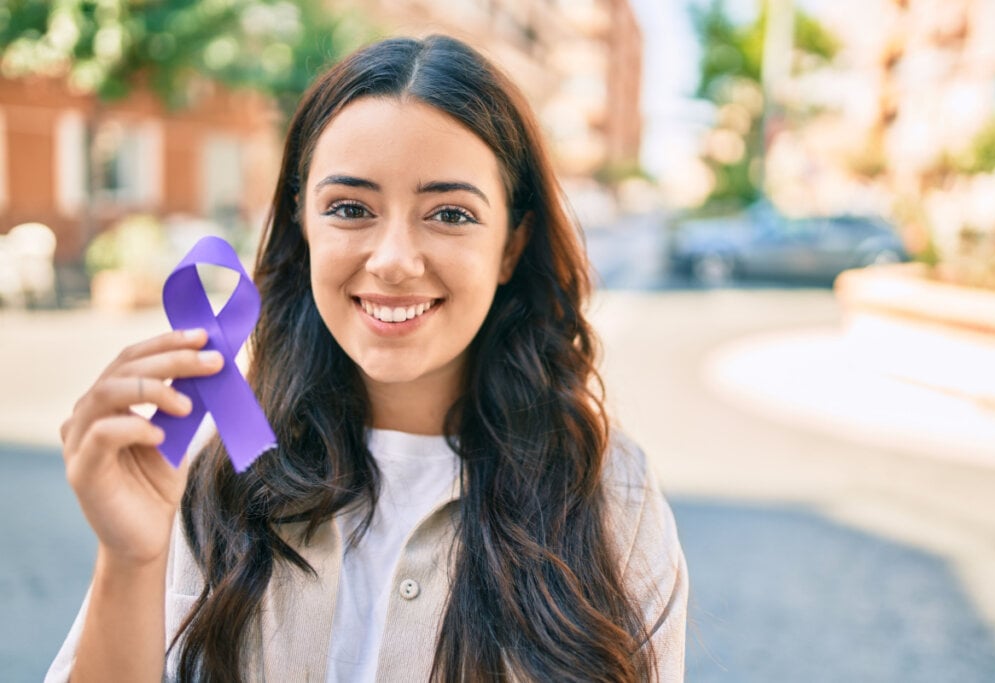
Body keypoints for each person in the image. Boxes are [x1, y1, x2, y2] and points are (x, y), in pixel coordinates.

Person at [48, 34, 688, 682]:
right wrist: (127, 559)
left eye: (449, 213)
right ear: (302, 224)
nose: (392, 260)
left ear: (511, 246)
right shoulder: (211, 474)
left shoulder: (612, 496)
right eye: (351, 208)